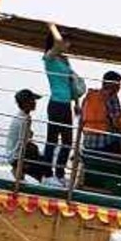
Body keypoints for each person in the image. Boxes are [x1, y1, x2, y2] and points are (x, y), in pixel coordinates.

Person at [40, 32, 86, 179]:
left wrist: (77, 103)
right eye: (66, 41)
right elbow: (56, 45)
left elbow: (72, 83)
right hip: (56, 103)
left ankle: (59, 174)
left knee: (67, 142)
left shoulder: (65, 60)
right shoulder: (49, 57)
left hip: (66, 104)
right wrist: (55, 32)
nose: (69, 44)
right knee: (52, 140)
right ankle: (47, 174)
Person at [79, 71, 121, 157]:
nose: (119, 86)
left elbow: (81, 120)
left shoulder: (89, 96)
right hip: (104, 145)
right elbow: (116, 122)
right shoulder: (111, 97)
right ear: (112, 84)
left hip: (88, 143)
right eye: (118, 83)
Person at [6, 89, 46, 181]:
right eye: (32, 100)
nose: (35, 103)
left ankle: (20, 173)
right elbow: (22, 142)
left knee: (39, 155)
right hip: (17, 156)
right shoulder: (23, 120)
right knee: (43, 166)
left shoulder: (24, 117)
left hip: (15, 153)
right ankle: (18, 170)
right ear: (25, 103)